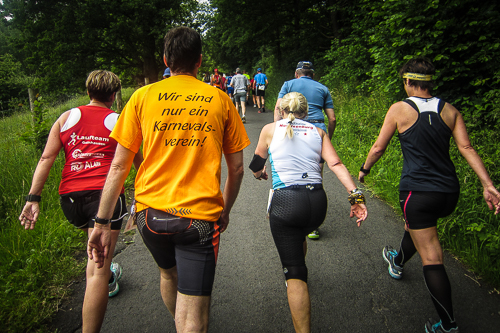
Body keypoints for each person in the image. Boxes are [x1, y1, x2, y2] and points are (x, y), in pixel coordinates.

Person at [88, 26, 250, 333]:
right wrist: (225, 211)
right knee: (193, 319)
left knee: (168, 275)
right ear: (200, 61)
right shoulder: (220, 100)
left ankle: (181, 321)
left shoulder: (141, 97)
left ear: (166, 59)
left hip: (149, 216)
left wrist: (100, 224)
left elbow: (119, 167)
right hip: (199, 219)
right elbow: (238, 169)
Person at [358, 57, 500, 333]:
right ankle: (397, 260)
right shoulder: (450, 111)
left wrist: (364, 170)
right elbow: (467, 148)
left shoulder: (400, 109)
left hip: (417, 192)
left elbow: (378, 147)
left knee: (432, 257)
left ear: (409, 82)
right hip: (448, 193)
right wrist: (488, 184)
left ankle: (448, 324)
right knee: (419, 229)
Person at [19, 70, 142, 333]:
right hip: (105, 201)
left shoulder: (66, 117)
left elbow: (46, 159)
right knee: (96, 269)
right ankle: (104, 280)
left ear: (88, 92)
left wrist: (33, 198)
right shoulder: (118, 120)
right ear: (113, 95)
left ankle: (109, 273)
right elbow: (139, 163)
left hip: (71, 200)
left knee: (93, 249)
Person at [250, 92, 367, 333]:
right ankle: (299, 269)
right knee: (300, 233)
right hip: (316, 203)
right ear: (308, 113)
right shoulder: (318, 132)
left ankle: (297, 279)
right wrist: (356, 197)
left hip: (286, 203)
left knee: (294, 274)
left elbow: (255, 165)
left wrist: (260, 174)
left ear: (282, 110)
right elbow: (335, 164)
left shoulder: (270, 130)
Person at [274, 61, 336, 240]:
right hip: (316, 129)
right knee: (316, 177)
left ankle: (288, 214)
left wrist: (276, 130)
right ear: (313, 75)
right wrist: (327, 139)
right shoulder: (323, 88)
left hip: (291, 128)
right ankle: (313, 226)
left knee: (289, 171)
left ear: (296, 74)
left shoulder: (288, 84)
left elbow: (279, 109)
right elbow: (331, 118)